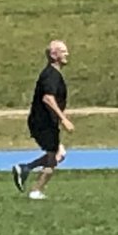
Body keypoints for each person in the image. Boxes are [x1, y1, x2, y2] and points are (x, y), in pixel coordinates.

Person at [12, 41, 74, 200]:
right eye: (63, 51)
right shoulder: (51, 75)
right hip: (42, 123)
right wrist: (63, 119)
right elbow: (47, 98)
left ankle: (25, 168)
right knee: (53, 158)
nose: (67, 54)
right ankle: (35, 191)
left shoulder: (54, 74)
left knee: (60, 154)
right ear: (54, 55)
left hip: (46, 123)